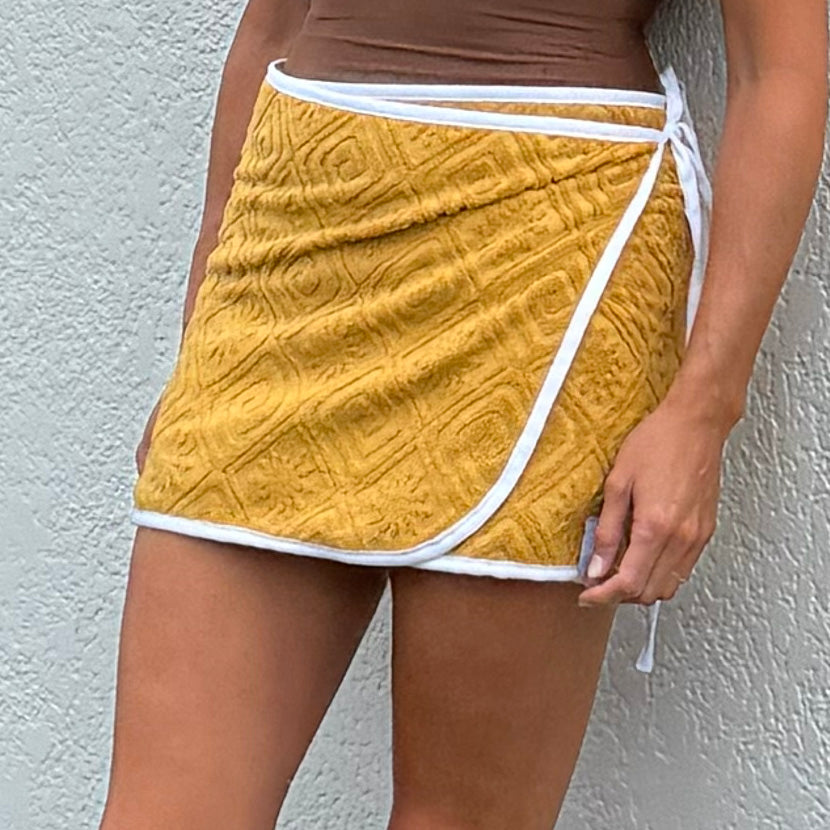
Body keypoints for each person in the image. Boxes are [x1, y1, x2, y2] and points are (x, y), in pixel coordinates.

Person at [99, 2, 828, 828]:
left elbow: (780, 77)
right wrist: (205, 332)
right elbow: (271, 28)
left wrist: (704, 409)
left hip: (547, 248)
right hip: (295, 226)